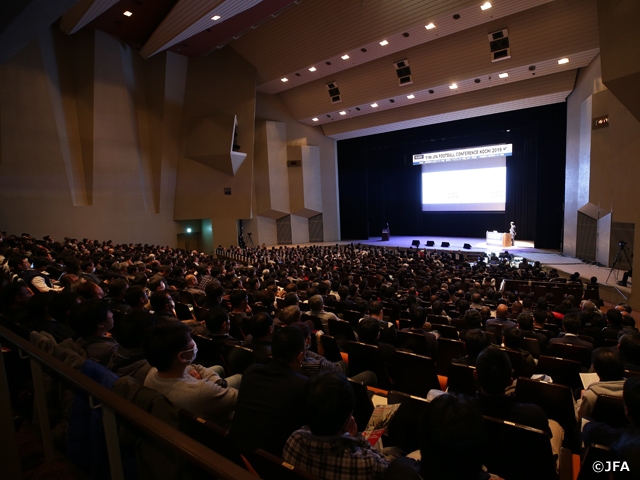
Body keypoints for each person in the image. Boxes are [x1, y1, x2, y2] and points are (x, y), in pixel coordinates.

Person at [283, 371, 388, 480]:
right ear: (348, 419)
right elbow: (388, 468)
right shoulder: (365, 464)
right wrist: (357, 437)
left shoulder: (293, 442)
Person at [143, 321, 240, 428]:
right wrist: (200, 382)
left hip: (195, 403)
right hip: (218, 427)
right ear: (182, 357)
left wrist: (216, 381)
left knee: (218, 368)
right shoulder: (202, 391)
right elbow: (239, 399)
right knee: (240, 377)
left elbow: (196, 367)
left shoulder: (154, 371)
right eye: (190, 339)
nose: (194, 343)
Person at [230, 326, 308, 456]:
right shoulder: (302, 385)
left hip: (236, 451)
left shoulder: (251, 371)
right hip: (270, 461)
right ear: (300, 356)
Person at [576, 347, 626, 422]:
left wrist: (581, 400)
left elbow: (579, 417)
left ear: (595, 369)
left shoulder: (591, 395)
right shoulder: (634, 390)